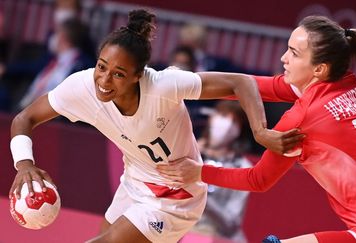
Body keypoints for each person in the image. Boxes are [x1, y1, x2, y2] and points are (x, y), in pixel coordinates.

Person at [8, 9, 303, 243]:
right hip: (134, 183)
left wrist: (261, 131)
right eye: (101, 67)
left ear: (139, 75)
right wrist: (24, 164)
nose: (104, 81)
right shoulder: (82, 86)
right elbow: (25, 118)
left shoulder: (164, 85)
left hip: (176, 196)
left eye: (119, 74)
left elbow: (241, 82)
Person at [156, 15, 356, 243]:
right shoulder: (343, 81)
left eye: (294, 53)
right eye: (288, 48)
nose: (283, 58)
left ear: (319, 68)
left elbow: (257, 180)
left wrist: (198, 172)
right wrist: (178, 83)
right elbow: (246, 85)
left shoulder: (304, 118)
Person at [192, 100, 253, 242]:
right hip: (180, 231)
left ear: (241, 129)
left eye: (234, 121)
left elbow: (231, 223)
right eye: (223, 115)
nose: (226, 124)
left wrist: (203, 198)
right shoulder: (190, 154)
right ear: (211, 118)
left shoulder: (243, 167)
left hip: (218, 236)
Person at [18, 17, 95, 109]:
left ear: (63, 37)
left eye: (56, 33)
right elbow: (29, 67)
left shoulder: (82, 63)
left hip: (54, 113)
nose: (53, 37)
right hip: (28, 106)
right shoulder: (51, 59)